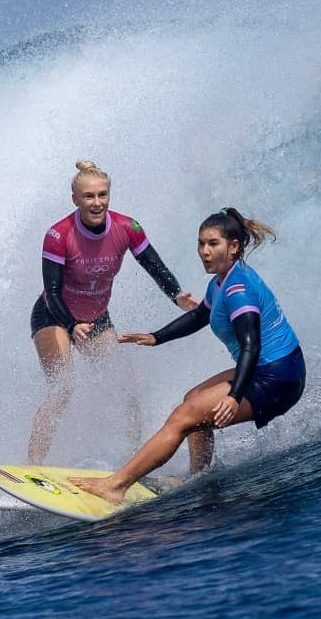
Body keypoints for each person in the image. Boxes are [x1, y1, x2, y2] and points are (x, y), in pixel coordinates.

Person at [70, 207, 305, 504]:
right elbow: (199, 316)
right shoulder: (221, 281)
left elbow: (251, 346)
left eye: (213, 244)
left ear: (234, 247)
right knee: (191, 400)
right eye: (201, 243)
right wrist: (157, 337)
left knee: (183, 417)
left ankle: (116, 485)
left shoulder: (238, 290)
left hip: (278, 376)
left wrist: (234, 396)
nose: (204, 252)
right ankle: (200, 478)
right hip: (272, 367)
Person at [28, 160, 197, 464]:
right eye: (89, 196)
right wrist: (71, 324)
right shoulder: (58, 234)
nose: (97, 203)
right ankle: (33, 468)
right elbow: (52, 292)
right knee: (63, 387)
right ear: (76, 199)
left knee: (127, 388)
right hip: (54, 315)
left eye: (102, 195)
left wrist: (176, 295)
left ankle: (134, 462)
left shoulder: (126, 228)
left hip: (96, 320)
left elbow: (153, 266)